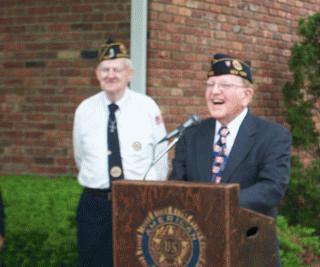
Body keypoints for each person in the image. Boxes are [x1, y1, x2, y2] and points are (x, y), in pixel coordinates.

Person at [170, 53, 292, 266]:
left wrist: (218, 204)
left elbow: (272, 188)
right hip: (197, 249)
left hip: (249, 249)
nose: (214, 91)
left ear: (246, 95)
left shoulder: (273, 136)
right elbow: (176, 185)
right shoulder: (191, 135)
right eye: (210, 84)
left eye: (224, 85)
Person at [73, 39, 168, 267]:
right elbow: (80, 156)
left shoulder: (147, 107)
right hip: (95, 204)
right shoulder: (85, 109)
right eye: (105, 69)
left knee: (140, 261)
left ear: (130, 74)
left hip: (139, 202)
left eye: (118, 69)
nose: (111, 75)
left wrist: (151, 197)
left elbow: (161, 157)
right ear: (97, 74)